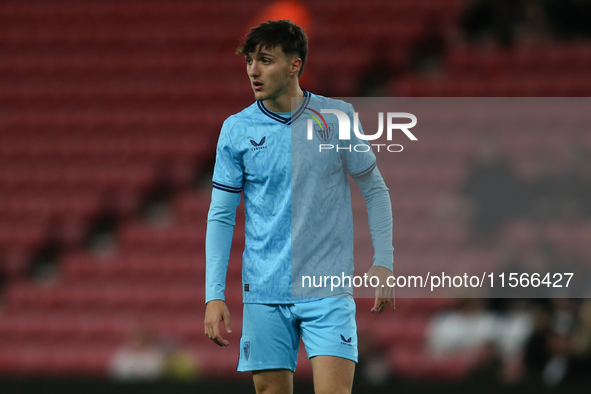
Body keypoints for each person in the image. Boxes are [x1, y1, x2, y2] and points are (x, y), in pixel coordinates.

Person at [204, 20, 395, 394]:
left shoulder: (336, 118)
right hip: (264, 290)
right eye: (249, 61)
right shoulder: (236, 129)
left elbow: (375, 189)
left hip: (326, 288)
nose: (253, 71)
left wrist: (384, 260)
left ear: (295, 65)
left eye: (265, 60)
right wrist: (214, 294)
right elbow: (221, 215)